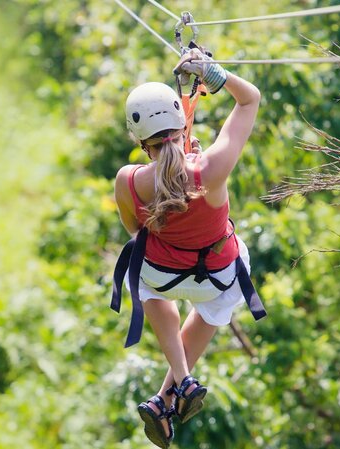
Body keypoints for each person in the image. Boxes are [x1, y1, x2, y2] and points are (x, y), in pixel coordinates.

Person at [110, 48, 265, 448]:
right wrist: (214, 75)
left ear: (141, 141)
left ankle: (177, 385)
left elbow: (134, 228)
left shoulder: (128, 181)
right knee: (215, 304)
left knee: (140, 274)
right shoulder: (211, 169)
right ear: (182, 123)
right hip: (217, 275)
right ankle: (172, 390)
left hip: (163, 273)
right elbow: (251, 99)